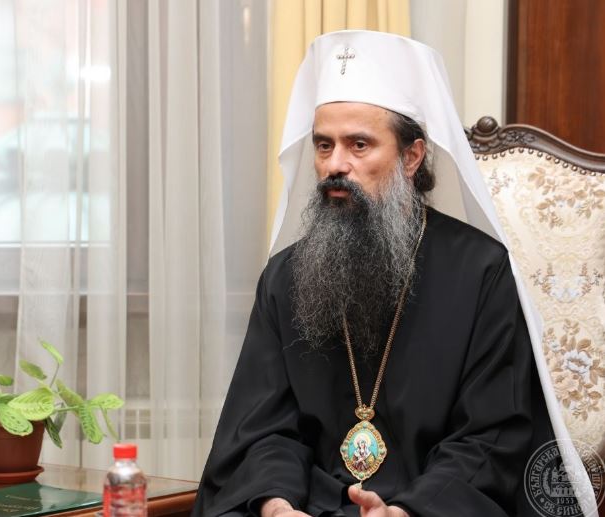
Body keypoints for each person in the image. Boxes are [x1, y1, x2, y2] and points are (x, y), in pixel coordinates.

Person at [191, 31, 592, 517]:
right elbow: (261, 430)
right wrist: (276, 505)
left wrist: (406, 511)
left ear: (411, 156)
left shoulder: (481, 272)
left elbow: (492, 438)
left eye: (359, 145)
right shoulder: (286, 277)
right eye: (323, 145)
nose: (335, 165)